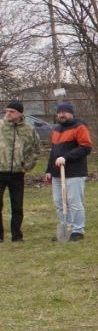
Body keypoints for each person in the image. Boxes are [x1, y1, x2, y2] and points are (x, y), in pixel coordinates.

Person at [43, 102, 92, 242]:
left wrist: (66, 157)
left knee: (74, 202)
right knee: (59, 202)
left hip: (74, 172)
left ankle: (78, 230)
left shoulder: (79, 126)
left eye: (64, 112)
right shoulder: (56, 129)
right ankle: (66, 229)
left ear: (71, 113)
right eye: (59, 112)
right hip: (57, 173)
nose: (61, 115)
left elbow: (86, 147)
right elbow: (53, 151)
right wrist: (49, 169)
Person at [0, 101, 40, 243]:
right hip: (0, 172)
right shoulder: (1, 126)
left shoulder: (29, 130)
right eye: (7, 111)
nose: (8, 114)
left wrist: (26, 166)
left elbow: (36, 149)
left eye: (12, 111)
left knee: (17, 206)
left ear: (20, 113)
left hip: (17, 174)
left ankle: (17, 236)